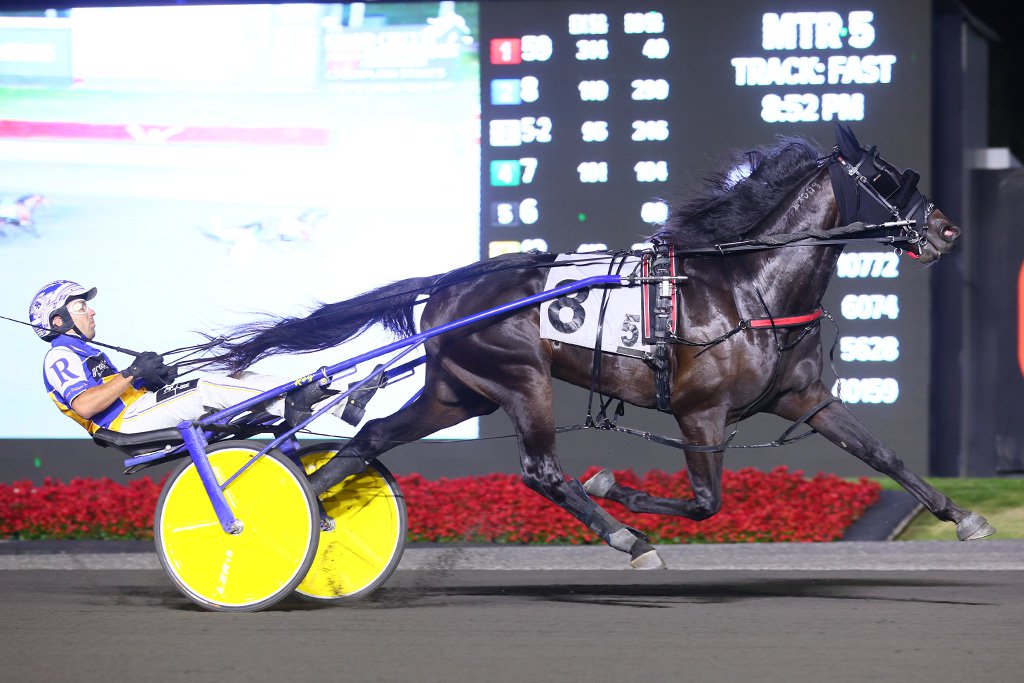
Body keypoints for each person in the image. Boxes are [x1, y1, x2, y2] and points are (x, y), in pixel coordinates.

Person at [31, 280, 333, 435]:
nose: (92, 311)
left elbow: (117, 391)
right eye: (82, 307)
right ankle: (292, 404)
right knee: (204, 387)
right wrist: (132, 372)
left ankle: (334, 402)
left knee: (238, 377)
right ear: (58, 321)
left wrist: (152, 382)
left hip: (139, 411)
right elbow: (85, 405)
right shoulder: (60, 355)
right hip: (124, 425)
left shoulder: (86, 352)